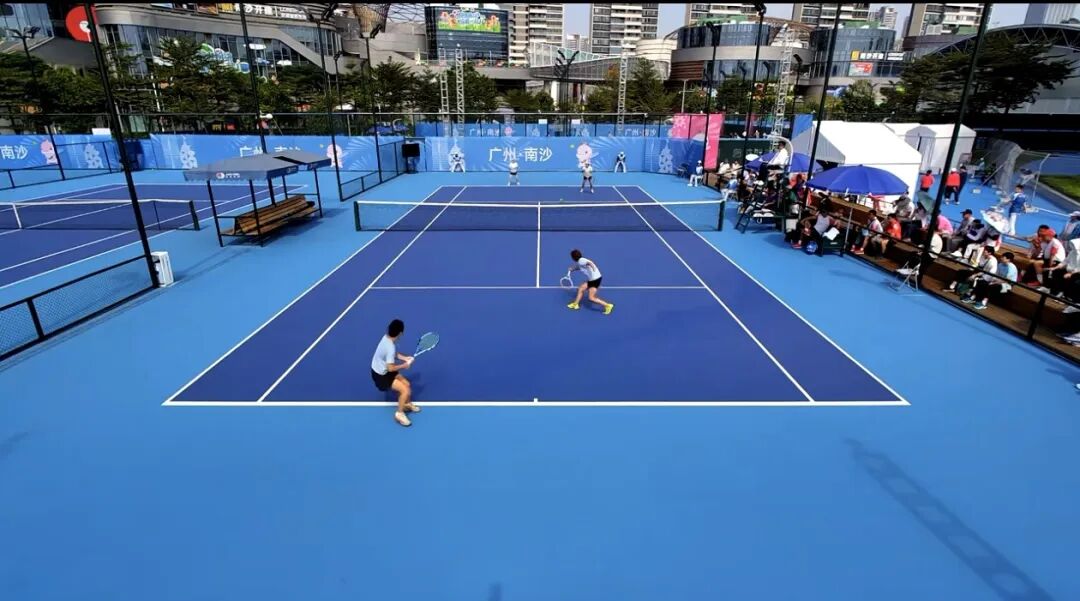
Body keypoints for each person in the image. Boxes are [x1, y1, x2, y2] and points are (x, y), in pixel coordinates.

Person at [370, 319, 419, 427]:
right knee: (405, 391)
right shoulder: (390, 347)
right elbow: (391, 368)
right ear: (400, 333)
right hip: (381, 375)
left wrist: (405, 358)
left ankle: (406, 404)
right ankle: (399, 414)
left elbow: (392, 354)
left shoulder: (386, 338)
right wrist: (404, 365)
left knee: (406, 384)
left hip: (382, 368)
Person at [567, 249, 613, 315]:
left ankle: (608, 305)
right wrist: (572, 269)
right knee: (581, 288)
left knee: (591, 298)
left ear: (573, 257)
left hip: (595, 280)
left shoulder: (581, 261)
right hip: (594, 279)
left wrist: (593, 266)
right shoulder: (580, 262)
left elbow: (589, 262)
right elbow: (579, 267)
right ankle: (575, 304)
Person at [1022, 224, 1066, 289]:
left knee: (1037, 264)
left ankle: (1040, 282)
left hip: (1056, 260)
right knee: (1031, 262)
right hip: (1048, 259)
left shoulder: (1055, 242)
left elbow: (1052, 255)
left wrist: (1049, 266)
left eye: (1045, 235)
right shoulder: (1044, 242)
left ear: (1049, 236)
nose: (1043, 236)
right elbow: (1037, 253)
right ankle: (1026, 279)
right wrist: (1035, 245)